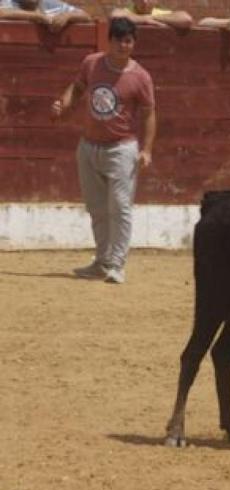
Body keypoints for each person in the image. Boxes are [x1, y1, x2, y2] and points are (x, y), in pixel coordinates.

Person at [51, 17, 156, 285]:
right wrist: (64, 103)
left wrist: (146, 149)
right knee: (97, 208)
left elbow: (148, 114)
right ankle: (101, 261)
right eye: (119, 40)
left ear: (134, 43)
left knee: (120, 208)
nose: (123, 45)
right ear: (109, 41)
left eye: (128, 40)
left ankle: (117, 264)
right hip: (88, 145)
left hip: (121, 148)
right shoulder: (92, 63)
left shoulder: (140, 77)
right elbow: (78, 86)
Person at [0, 0, 91, 33]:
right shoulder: (10, 2)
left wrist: (67, 16)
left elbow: (86, 16)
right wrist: (38, 17)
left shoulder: (48, 2)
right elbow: (2, 13)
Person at [111, 0, 193, 30]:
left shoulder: (162, 14)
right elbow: (115, 15)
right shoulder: (127, 11)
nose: (144, 1)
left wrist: (150, 18)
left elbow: (186, 19)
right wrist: (145, 19)